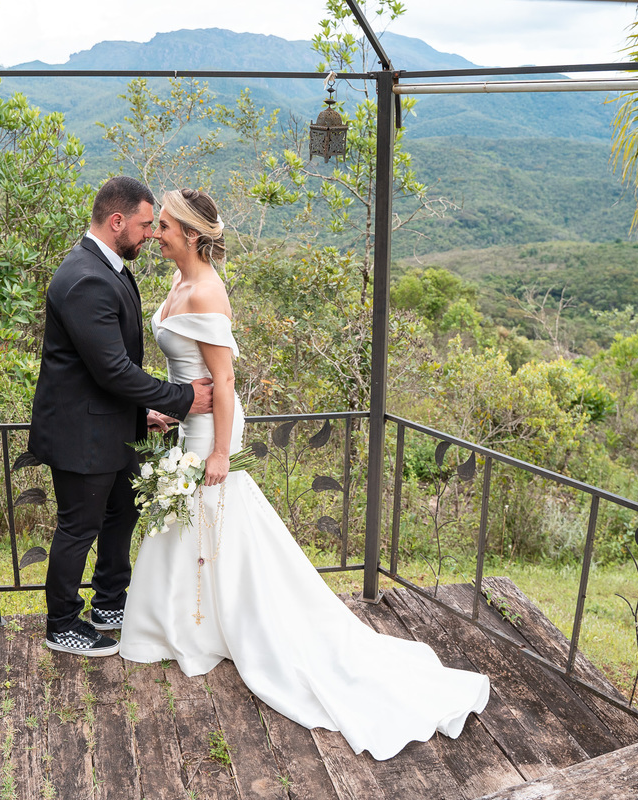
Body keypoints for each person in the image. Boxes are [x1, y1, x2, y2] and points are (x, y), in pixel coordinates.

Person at [118, 188, 490, 760]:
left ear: (192, 235)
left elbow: (224, 381)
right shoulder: (175, 284)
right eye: (158, 225)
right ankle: (189, 624)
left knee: (214, 515)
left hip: (214, 426)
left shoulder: (209, 292)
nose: (157, 233)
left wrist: (220, 452)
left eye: (165, 226)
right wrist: (168, 407)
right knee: (188, 520)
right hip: (186, 418)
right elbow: (185, 368)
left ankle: (221, 624)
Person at [28, 176, 213, 657]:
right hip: (81, 434)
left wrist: (144, 409)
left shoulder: (107, 265)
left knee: (123, 510)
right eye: (145, 225)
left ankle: (110, 601)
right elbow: (112, 369)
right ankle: (62, 623)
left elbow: (109, 365)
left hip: (109, 425)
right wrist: (180, 399)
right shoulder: (86, 277)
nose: (151, 234)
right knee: (78, 527)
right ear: (117, 222)